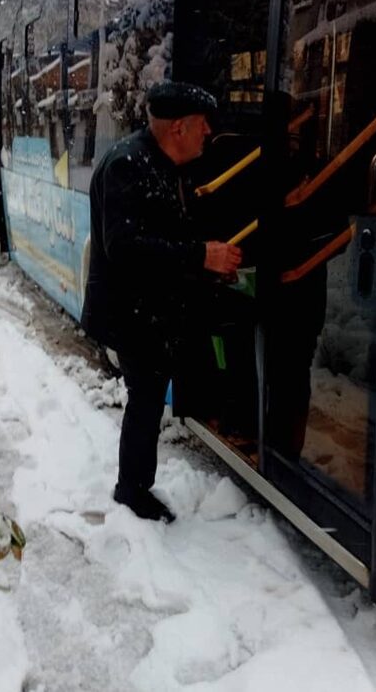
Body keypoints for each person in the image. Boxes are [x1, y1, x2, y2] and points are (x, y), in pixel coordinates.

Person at [80, 81, 243, 522]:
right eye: (203, 125)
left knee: (153, 395)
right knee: (146, 398)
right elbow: (124, 247)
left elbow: (170, 235)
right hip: (133, 314)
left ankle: (136, 484)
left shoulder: (169, 165)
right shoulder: (127, 166)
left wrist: (209, 262)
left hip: (159, 308)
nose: (209, 132)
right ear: (178, 128)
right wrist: (200, 255)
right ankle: (131, 491)